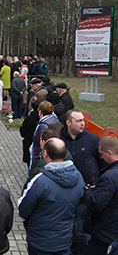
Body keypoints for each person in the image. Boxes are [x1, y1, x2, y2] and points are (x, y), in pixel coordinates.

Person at [18, 138, 85, 255]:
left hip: (40, 242)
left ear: (46, 154)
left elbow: (23, 209)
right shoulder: (79, 177)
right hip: (64, 240)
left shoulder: (40, 181)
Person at [60, 109, 102, 254]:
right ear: (68, 122)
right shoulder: (60, 140)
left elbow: (103, 164)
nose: (82, 124)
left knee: (81, 229)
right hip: (64, 194)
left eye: (83, 120)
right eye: (78, 121)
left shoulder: (93, 140)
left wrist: (97, 183)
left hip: (86, 195)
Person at [84, 136, 118, 254]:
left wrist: (87, 192)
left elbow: (96, 203)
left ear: (109, 153)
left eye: (102, 154)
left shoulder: (109, 177)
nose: (101, 157)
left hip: (105, 232)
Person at [30, 101, 59, 169]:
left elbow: (37, 142)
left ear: (40, 112)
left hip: (41, 156)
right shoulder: (55, 120)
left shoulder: (42, 126)